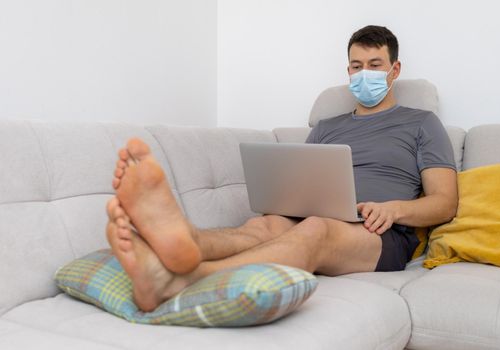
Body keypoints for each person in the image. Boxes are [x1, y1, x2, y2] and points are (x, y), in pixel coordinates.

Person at [105, 25, 458, 312]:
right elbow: (300, 185)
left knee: (317, 228)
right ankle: (186, 240)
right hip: (317, 215)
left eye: (375, 64)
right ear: (347, 70)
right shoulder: (326, 126)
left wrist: (394, 209)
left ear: (395, 70)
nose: (364, 73)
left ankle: (181, 280)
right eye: (356, 66)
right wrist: (286, 202)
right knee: (266, 224)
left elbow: (445, 202)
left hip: (379, 233)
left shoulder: (422, 123)